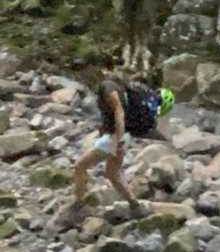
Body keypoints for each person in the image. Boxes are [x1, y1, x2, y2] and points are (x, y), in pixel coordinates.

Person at [53, 77, 174, 229]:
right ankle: (135, 206)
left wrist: (118, 140)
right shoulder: (128, 94)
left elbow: (119, 111)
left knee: (80, 166)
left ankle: (78, 205)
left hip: (116, 138)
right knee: (112, 174)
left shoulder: (109, 88)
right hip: (124, 135)